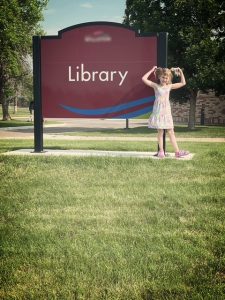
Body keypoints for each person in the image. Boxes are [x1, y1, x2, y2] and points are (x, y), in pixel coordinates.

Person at [142, 66, 189, 158]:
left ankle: (177, 152)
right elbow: (143, 79)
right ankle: (161, 152)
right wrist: (152, 70)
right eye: (163, 77)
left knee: (171, 131)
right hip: (158, 112)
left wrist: (180, 71)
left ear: (169, 79)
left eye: (166, 77)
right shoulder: (156, 86)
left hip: (166, 112)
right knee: (160, 132)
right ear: (159, 77)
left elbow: (183, 83)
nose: (164, 79)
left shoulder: (169, 86)